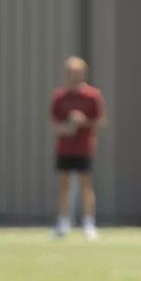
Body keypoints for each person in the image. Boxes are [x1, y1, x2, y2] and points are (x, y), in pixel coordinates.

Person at [50, 56, 107, 240]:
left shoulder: (93, 96)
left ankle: (89, 224)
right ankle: (63, 224)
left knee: (86, 185)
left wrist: (83, 121)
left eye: (78, 73)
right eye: (71, 73)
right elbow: (54, 124)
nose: (75, 76)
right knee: (64, 186)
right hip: (64, 148)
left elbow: (100, 121)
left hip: (83, 148)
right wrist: (66, 128)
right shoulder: (60, 96)